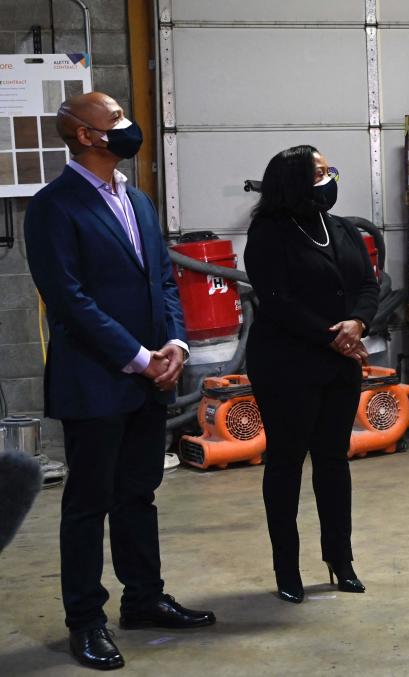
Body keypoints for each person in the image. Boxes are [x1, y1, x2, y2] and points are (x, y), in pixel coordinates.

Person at [24, 92, 215, 671]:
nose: (127, 126)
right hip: (97, 378)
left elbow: (162, 277)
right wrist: (137, 355)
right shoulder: (54, 207)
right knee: (88, 504)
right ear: (85, 135)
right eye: (115, 120)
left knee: (139, 494)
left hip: (149, 377)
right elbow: (69, 300)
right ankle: (85, 621)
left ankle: (144, 598)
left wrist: (176, 344)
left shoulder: (138, 200)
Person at [244, 145, 379, 604]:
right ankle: (287, 569)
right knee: (285, 462)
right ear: (293, 181)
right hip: (287, 363)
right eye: (317, 173)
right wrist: (331, 335)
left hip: (339, 361)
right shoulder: (268, 232)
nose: (327, 179)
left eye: (329, 171)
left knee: (332, 460)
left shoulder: (341, 229)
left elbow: (367, 284)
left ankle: (340, 560)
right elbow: (277, 299)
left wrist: (357, 323)